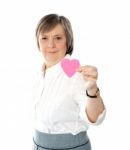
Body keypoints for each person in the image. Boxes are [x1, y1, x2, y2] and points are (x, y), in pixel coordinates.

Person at [32, 13, 106, 150]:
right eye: (44, 38)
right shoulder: (38, 74)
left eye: (58, 38)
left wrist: (92, 89)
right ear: (38, 42)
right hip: (37, 144)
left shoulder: (75, 75)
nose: (51, 44)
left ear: (68, 41)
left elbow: (96, 118)